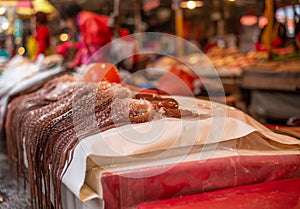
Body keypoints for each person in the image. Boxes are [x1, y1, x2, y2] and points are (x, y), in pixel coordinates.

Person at [60, 3, 113, 67]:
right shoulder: (83, 20)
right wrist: (74, 63)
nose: (67, 25)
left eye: (66, 21)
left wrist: (96, 68)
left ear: (69, 17)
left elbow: (97, 49)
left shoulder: (87, 20)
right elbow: (84, 48)